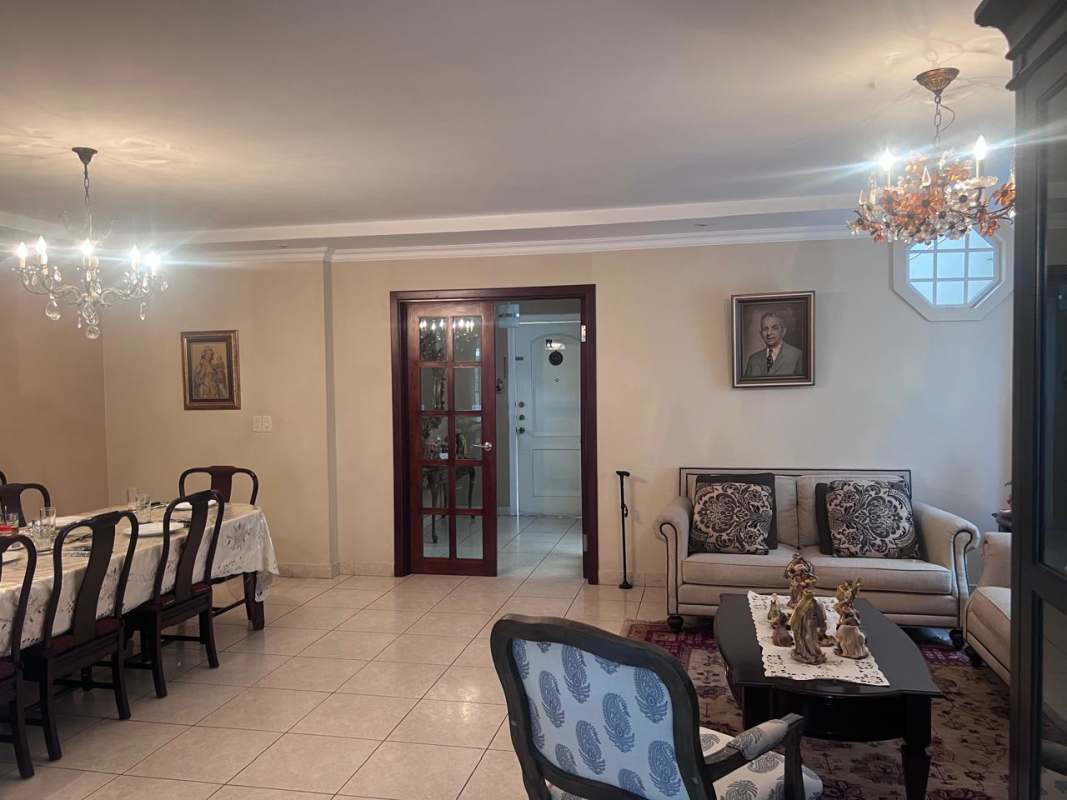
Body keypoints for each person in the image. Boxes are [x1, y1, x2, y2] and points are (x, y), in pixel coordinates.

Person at [743, 311, 804, 377]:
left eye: (774, 328)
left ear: (783, 331)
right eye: (765, 329)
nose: (769, 333)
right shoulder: (753, 360)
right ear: (761, 334)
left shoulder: (796, 355)